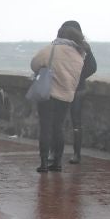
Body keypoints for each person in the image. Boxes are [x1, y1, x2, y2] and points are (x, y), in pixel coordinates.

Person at [31, 22, 89, 173]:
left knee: (45, 128)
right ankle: (57, 162)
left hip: (48, 94)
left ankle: (44, 163)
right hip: (66, 95)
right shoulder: (79, 54)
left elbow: (34, 64)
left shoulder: (51, 48)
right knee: (58, 128)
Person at [60, 20, 98, 163]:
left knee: (64, 122)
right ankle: (75, 154)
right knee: (73, 122)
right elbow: (93, 67)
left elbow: (92, 67)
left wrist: (78, 76)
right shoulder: (82, 47)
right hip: (74, 88)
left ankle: (70, 153)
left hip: (72, 89)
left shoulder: (80, 47)